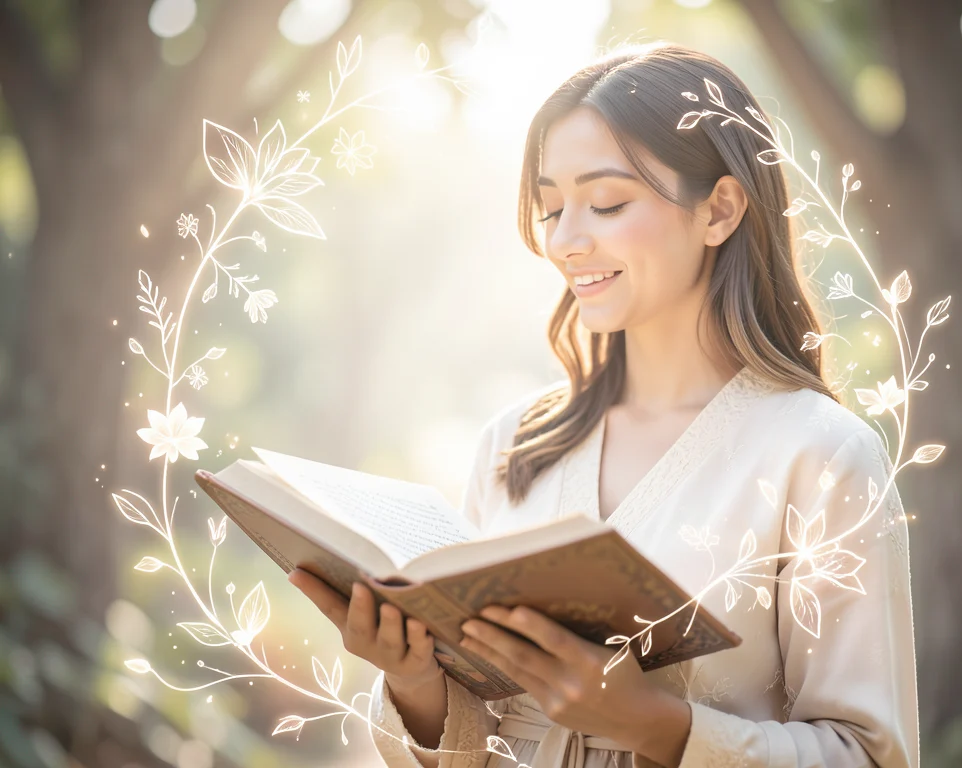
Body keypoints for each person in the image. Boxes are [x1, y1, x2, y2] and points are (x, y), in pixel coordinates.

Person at [288, 42, 919, 768]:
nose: (564, 241)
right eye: (552, 207)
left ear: (719, 209)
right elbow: (483, 739)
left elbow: (870, 755)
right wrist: (414, 683)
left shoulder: (820, 456)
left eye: (608, 203)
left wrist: (657, 725)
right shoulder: (514, 447)